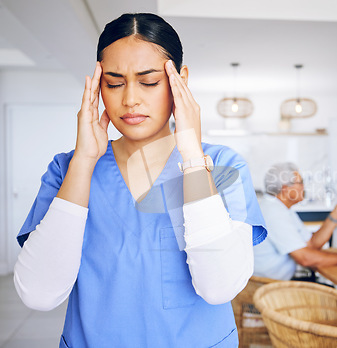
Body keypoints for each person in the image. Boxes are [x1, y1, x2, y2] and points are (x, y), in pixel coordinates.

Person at [13, 13, 267, 347]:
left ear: (180, 80)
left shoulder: (223, 166)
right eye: (114, 83)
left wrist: (191, 158)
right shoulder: (67, 170)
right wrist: (84, 161)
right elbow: (39, 294)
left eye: (148, 81)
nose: (130, 99)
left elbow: (218, 288)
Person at [253, 162, 337, 281]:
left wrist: (335, 216)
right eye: (300, 183)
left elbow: (311, 244)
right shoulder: (274, 212)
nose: (304, 187)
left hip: (278, 282)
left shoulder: (282, 209)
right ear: (285, 189)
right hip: (266, 288)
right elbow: (305, 258)